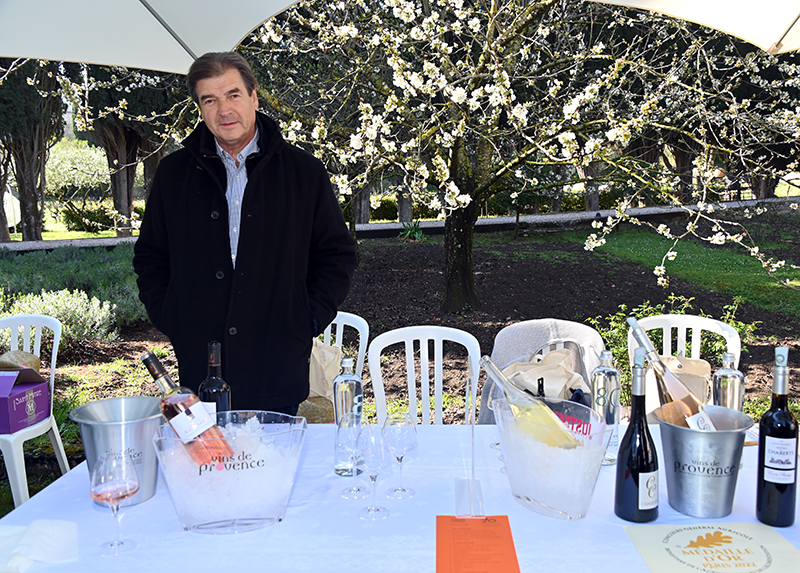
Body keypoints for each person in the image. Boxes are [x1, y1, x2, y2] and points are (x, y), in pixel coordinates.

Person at [133, 52, 357, 415]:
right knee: (210, 451)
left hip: (278, 359)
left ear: (254, 97)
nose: (224, 110)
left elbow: (336, 255)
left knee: (277, 450)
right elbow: (151, 256)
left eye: (233, 95)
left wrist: (306, 319)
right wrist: (172, 316)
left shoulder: (303, 172)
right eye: (210, 100)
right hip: (201, 358)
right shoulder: (173, 174)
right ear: (200, 108)